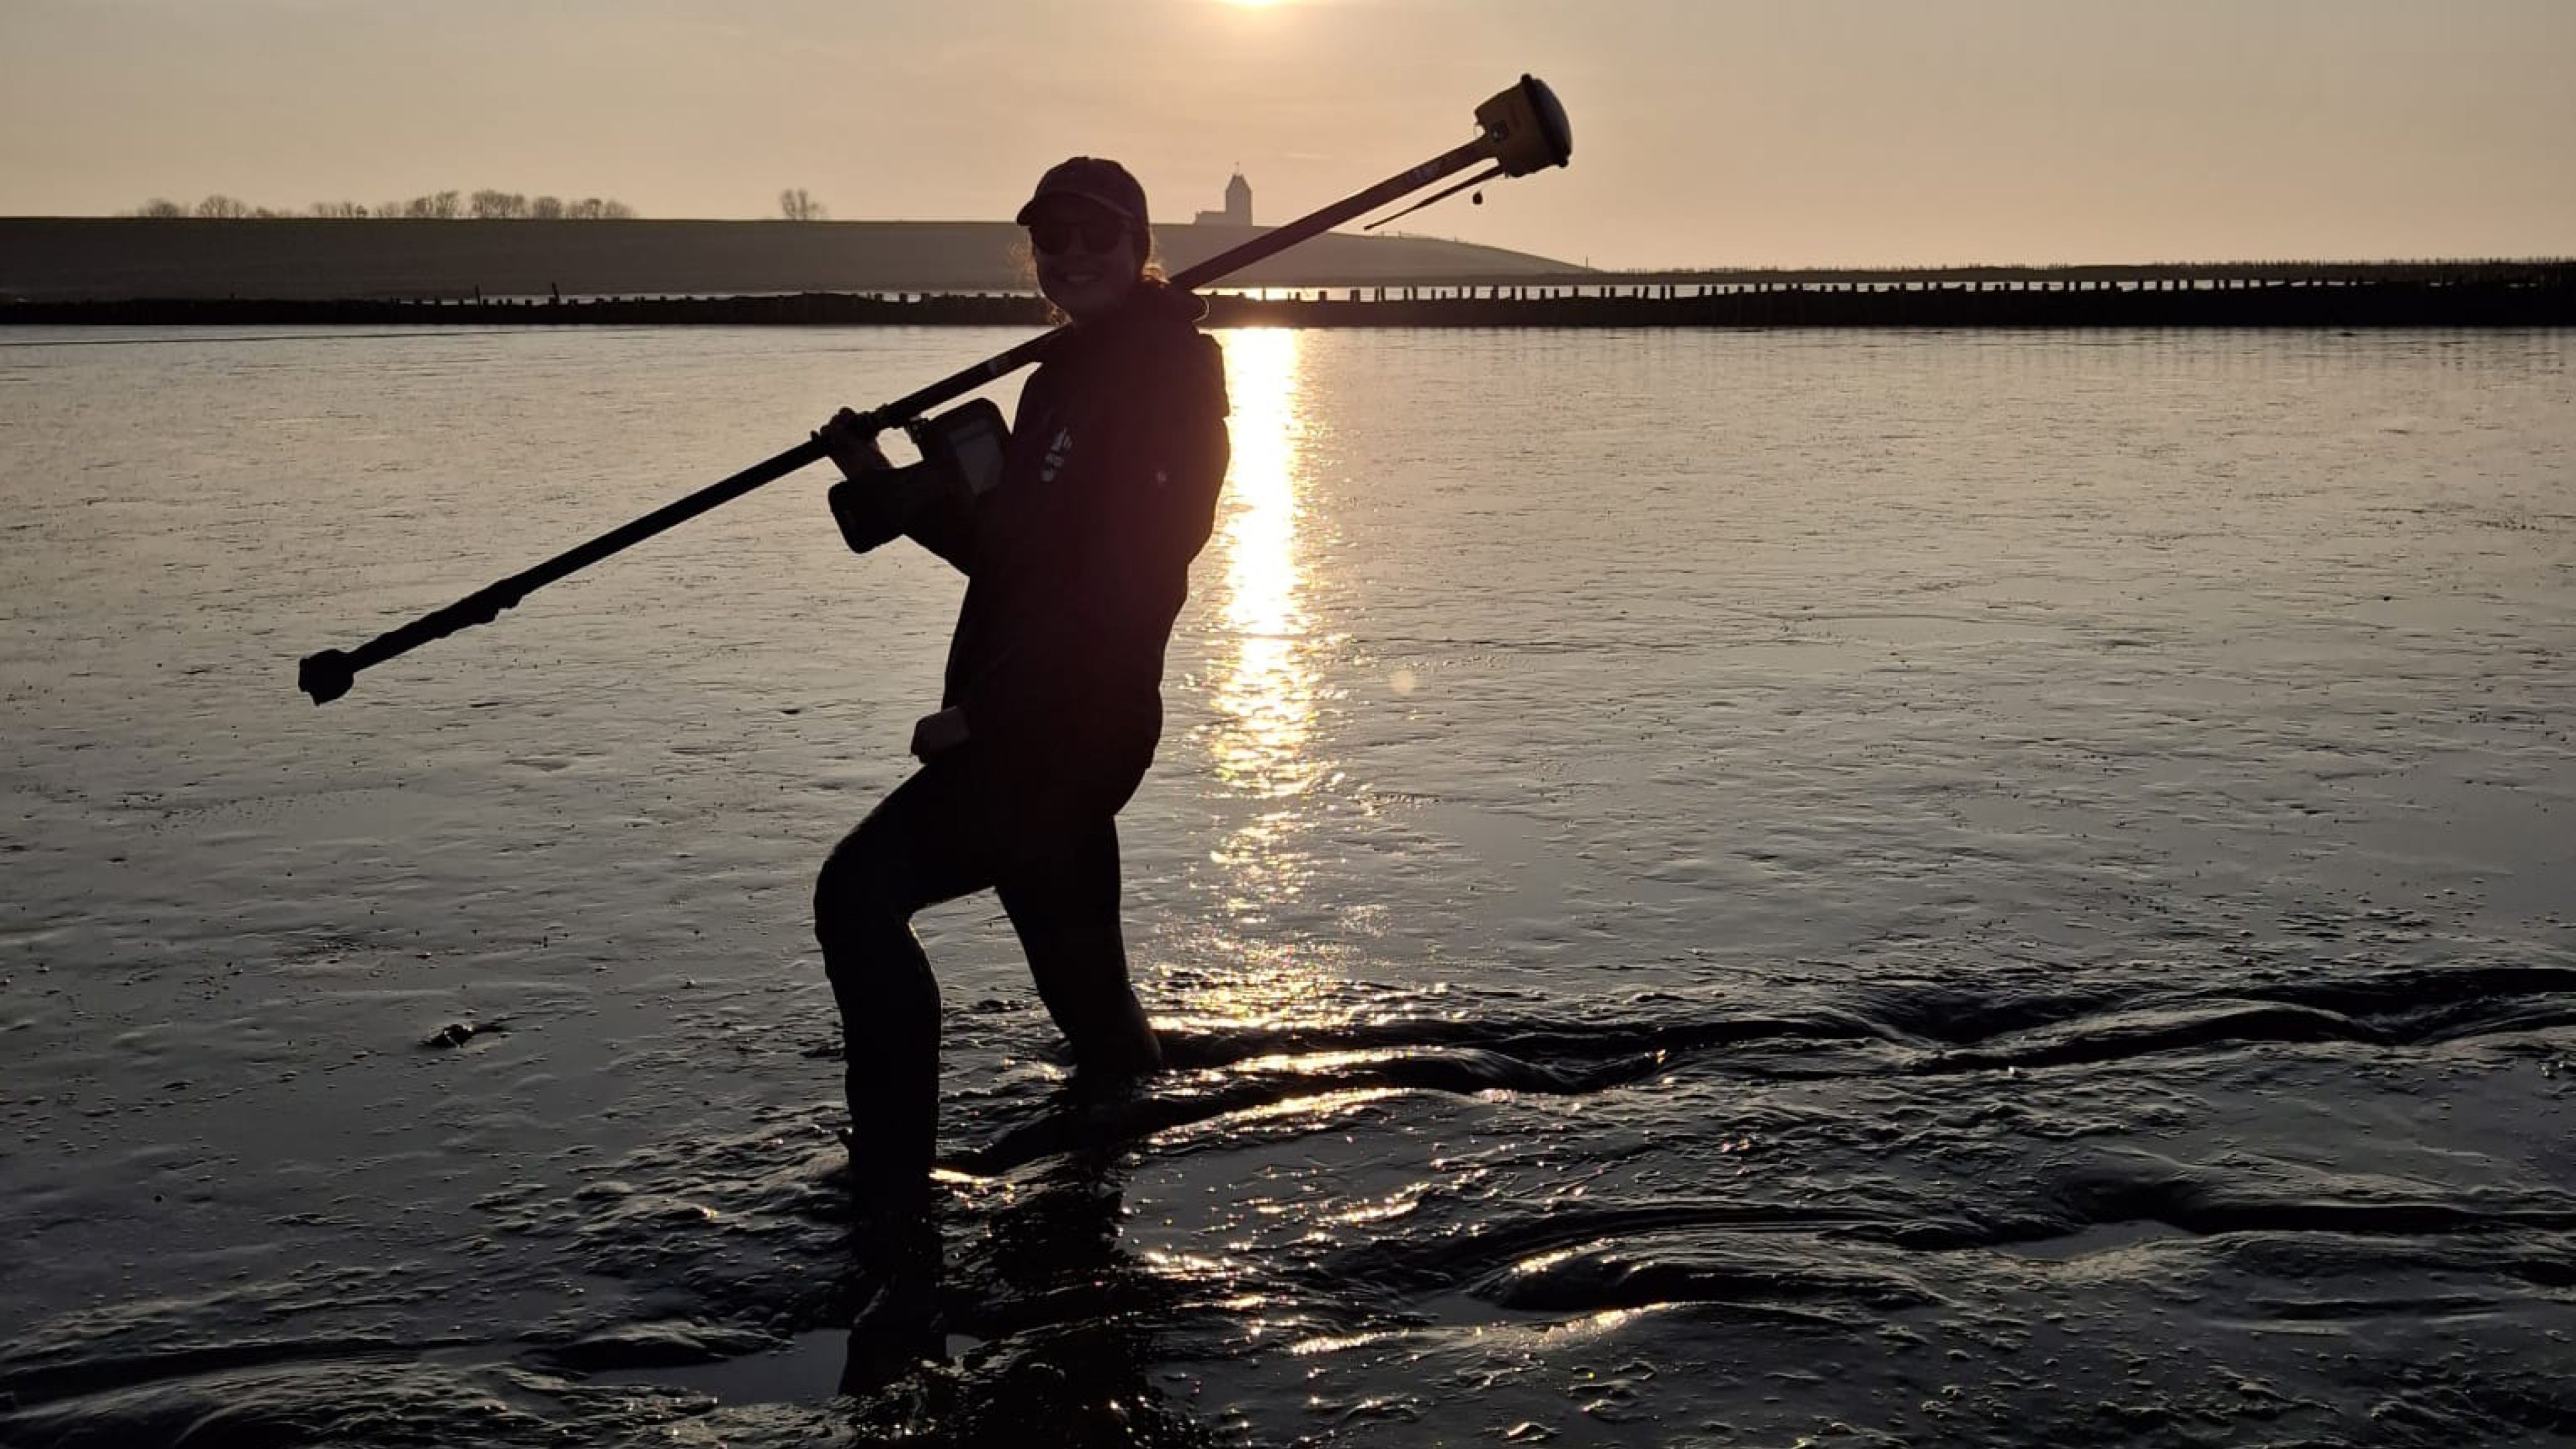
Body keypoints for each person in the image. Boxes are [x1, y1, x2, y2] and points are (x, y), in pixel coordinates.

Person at [811, 158, 1231, 1224]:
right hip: (1036, 726)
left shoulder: (1171, 378)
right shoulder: (1058, 380)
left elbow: (1134, 570)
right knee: (1097, 1020)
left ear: (1140, 250)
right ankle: (1143, 1142)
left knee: (856, 896)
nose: (1074, 256)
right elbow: (1016, 559)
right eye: (1054, 239)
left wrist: (990, 719)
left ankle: (892, 1195)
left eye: (1099, 238)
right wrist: (882, 482)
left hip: (1064, 731)